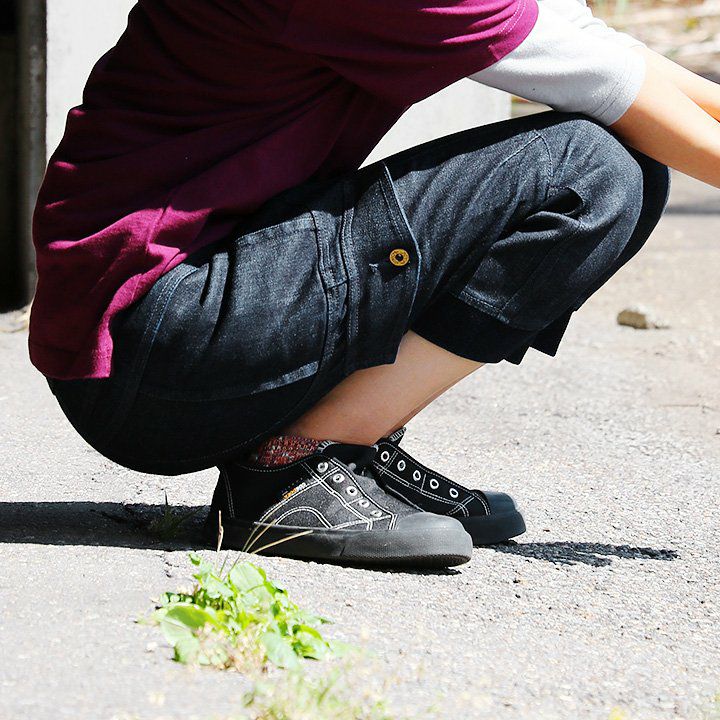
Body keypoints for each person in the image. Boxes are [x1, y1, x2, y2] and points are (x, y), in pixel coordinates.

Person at [31, 0, 720, 568]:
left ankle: (343, 447)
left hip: (170, 324)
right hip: (155, 337)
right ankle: (291, 467)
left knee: (621, 164)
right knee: (591, 171)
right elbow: (605, 80)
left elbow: (591, 44)